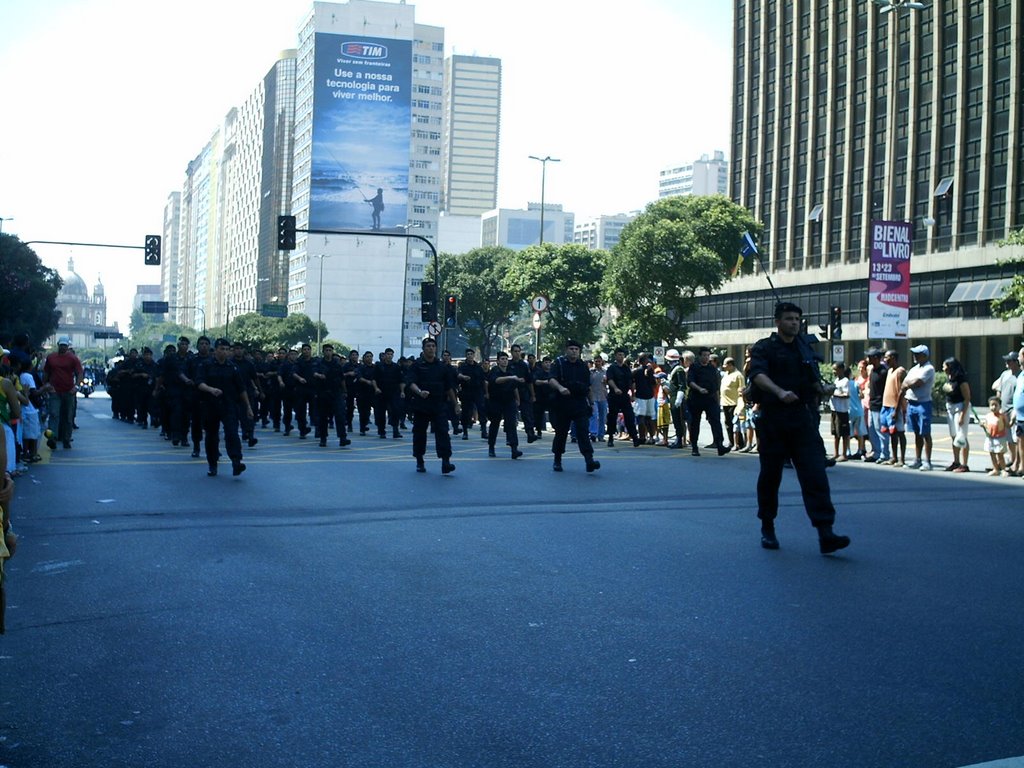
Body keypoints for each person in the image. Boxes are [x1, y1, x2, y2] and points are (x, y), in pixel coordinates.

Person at [749, 302, 850, 554]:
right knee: (771, 476)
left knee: (815, 474)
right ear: (778, 322)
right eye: (789, 318)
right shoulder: (765, 347)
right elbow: (757, 376)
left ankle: (825, 532)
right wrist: (779, 392)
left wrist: (823, 388)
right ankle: (768, 527)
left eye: (797, 319)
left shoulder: (805, 347)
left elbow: (813, 379)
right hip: (773, 418)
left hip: (803, 419)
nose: (794, 322)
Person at [196, 338, 253, 477]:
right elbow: (199, 383)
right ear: (215, 350)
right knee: (211, 436)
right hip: (210, 405)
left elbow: (241, 389)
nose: (225, 352)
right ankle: (212, 464)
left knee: (232, 433)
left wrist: (248, 407)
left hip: (229, 405)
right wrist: (211, 390)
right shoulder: (206, 365)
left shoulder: (233, 367)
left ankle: (236, 462)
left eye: (227, 349)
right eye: (222, 349)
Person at [405, 337, 458, 474]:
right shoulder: (416, 365)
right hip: (421, 405)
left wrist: (455, 404)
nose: (431, 348)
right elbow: (411, 383)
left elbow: (449, 387)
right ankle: (419, 460)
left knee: (443, 433)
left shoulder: (442, 367)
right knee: (420, 434)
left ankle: (446, 462)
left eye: (433, 346)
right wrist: (419, 392)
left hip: (438, 405)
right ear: (423, 349)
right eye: (428, 346)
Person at [548, 340, 600, 473]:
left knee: (583, 431)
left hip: (579, 402)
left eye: (576, 349)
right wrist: (560, 388)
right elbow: (551, 379)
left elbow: (588, 387)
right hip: (563, 402)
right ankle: (557, 460)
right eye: (571, 349)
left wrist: (592, 403)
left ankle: (589, 460)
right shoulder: (559, 363)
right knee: (561, 432)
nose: (574, 351)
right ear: (566, 350)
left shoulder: (583, 366)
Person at [41, 336, 83, 450]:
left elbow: (80, 372)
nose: (63, 347)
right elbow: (46, 372)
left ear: (67, 346)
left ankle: (66, 439)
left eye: (65, 345)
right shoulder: (51, 358)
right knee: (54, 415)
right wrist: (46, 385)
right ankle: (52, 438)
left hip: (69, 392)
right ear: (58, 345)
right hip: (55, 391)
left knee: (68, 417)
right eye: (61, 345)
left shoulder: (73, 358)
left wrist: (77, 386)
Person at [687, 347, 729, 456]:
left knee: (716, 421)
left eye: (707, 355)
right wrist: (699, 389)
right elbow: (690, 381)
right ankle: (695, 447)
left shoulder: (712, 368)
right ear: (700, 356)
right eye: (704, 355)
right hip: (696, 398)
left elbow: (716, 385)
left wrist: (717, 399)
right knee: (695, 423)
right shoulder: (694, 367)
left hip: (710, 398)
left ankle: (719, 445)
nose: (706, 357)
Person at [902, 344, 936, 471]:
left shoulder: (929, 368)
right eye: (914, 354)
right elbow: (905, 382)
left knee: (925, 433)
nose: (914, 356)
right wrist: (909, 383)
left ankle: (927, 461)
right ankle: (918, 459)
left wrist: (909, 383)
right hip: (912, 403)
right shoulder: (914, 369)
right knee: (916, 433)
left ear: (924, 355)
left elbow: (917, 383)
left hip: (923, 403)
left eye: (917, 354)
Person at [484, 351, 522, 459]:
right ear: (498, 361)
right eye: (502, 359)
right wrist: (511, 378)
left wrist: (517, 399)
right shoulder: (494, 371)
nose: (504, 361)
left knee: (511, 424)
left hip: (509, 401)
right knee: (495, 424)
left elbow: (515, 387)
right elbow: (496, 381)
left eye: (506, 359)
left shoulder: (510, 371)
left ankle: (514, 448)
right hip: (496, 401)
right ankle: (491, 447)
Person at [941, 357, 971, 473]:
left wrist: (963, 415)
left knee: (961, 436)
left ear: (950, 366)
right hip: (951, 407)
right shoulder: (950, 377)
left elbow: (967, 398)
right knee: (954, 436)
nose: (943, 368)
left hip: (960, 407)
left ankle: (965, 464)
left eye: (944, 366)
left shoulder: (961, 378)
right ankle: (956, 461)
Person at [605, 348, 640, 448]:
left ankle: (634, 438)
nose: (621, 357)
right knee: (612, 417)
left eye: (622, 355)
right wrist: (615, 388)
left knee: (629, 416)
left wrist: (633, 394)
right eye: (619, 355)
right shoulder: (612, 368)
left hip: (624, 395)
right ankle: (611, 437)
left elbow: (631, 382)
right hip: (614, 396)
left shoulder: (626, 368)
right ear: (615, 356)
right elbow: (609, 380)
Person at [992, 352, 1019, 475]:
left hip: (1014, 410)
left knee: (1015, 438)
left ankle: (1016, 462)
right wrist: (997, 406)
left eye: (1009, 361)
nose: (1007, 363)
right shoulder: (1005, 374)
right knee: (1007, 438)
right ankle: (1012, 459)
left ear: (1015, 362)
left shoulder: (1020, 376)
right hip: (1003, 410)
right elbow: (999, 390)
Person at [880, 350, 908, 466]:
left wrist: (897, 409)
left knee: (900, 432)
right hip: (886, 406)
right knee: (892, 433)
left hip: (895, 407)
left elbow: (902, 390)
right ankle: (894, 457)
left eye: (886, 357)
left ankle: (902, 459)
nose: (884, 360)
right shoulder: (889, 371)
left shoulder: (900, 371)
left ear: (892, 358)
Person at [865, 348, 889, 463]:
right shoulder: (872, 370)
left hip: (880, 405)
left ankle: (885, 454)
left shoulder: (884, 371)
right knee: (871, 429)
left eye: (870, 357)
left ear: (876, 358)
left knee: (881, 430)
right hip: (872, 404)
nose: (868, 359)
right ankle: (876, 452)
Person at [456, 349, 486, 440]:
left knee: (482, 410)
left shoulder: (478, 367)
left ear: (474, 355)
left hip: (477, 391)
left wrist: (485, 392)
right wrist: (463, 377)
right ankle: (465, 431)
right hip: (466, 391)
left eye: (471, 354)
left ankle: (484, 430)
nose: (470, 356)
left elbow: (483, 380)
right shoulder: (463, 366)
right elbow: (458, 375)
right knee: (465, 412)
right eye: (468, 354)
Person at [720, 356, 745, 450]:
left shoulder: (738, 375)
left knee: (735, 424)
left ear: (730, 365)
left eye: (725, 364)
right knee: (727, 424)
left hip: (734, 403)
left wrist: (740, 403)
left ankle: (740, 443)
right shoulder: (726, 374)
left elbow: (742, 389)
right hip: (725, 403)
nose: (723, 366)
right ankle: (731, 442)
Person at [830, 363, 851, 461]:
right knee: (836, 433)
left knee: (843, 433)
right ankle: (836, 453)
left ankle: (844, 454)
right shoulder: (836, 380)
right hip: (834, 409)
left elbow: (847, 395)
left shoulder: (845, 381)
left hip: (842, 410)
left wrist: (835, 395)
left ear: (842, 369)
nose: (834, 372)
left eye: (836, 369)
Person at [983, 396, 1010, 477]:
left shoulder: (1002, 416)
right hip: (990, 438)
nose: (993, 407)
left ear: (1000, 406)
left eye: (996, 405)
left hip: (999, 438)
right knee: (992, 454)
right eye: (992, 405)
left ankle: (1003, 469)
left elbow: (1008, 425)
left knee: (1000, 454)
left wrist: (1011, 420)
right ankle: (995, 469)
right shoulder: (988, 416)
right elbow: (986, 425)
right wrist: (983, 425)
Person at [589, 355, 608, 443]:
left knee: (603, 417)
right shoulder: (590, 372)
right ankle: (593, 433)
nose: (597, 363)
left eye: (599, 361)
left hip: (603, 396)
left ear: (602, 362)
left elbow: (608, 383)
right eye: (596, 361)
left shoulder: (605, 372)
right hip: (593, 396)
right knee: (594, 415)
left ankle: (601, 435)